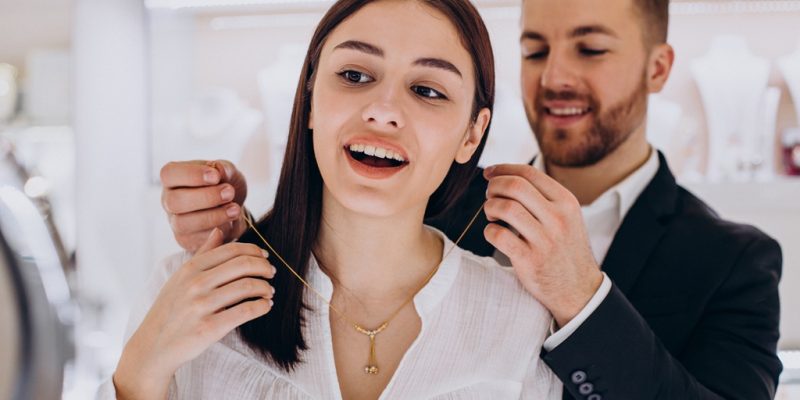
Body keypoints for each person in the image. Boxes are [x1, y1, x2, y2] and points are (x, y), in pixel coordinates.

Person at [160, 0, 785, 399]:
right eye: (535, 49)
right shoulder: (436, 198)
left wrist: (580, 299)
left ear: (658, 68)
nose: (556, 75)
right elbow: (337, 236)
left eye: (591, 49)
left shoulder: (737, 263)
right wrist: (246, 224)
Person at [101, 0, 563, 399]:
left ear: (472, 134)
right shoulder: (191, 290)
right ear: (310, 99)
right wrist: (140, 370)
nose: (382, 109)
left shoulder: (520, 319)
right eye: (354, 75)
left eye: (427, 90)